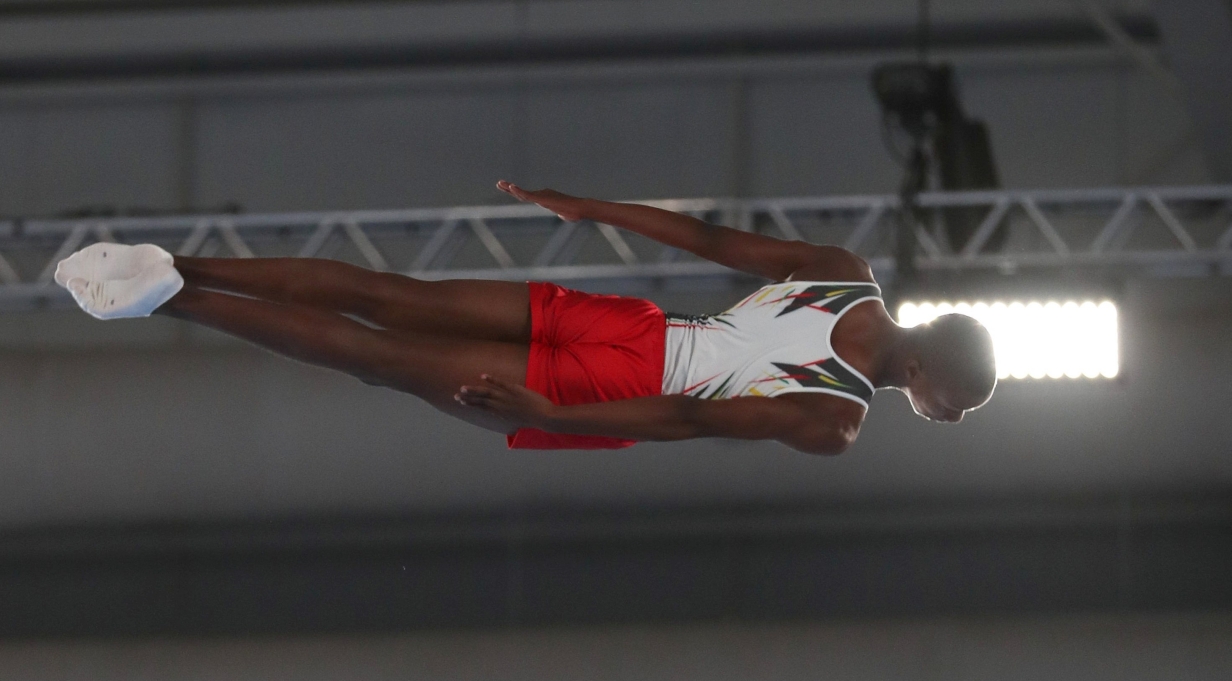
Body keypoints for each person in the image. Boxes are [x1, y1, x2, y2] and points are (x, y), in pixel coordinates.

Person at [55, 181, 996, 454]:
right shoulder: (836, 419)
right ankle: (176, 295)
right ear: (923, 373)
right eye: (952, 404)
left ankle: (174, 264)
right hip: (616, 386)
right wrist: (554, 416)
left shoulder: (843, 273)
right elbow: (691, 417)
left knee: (392, 295)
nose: (946, 418)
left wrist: (595, 209)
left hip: (637, 326)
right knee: (379, 356)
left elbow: (710, 238)